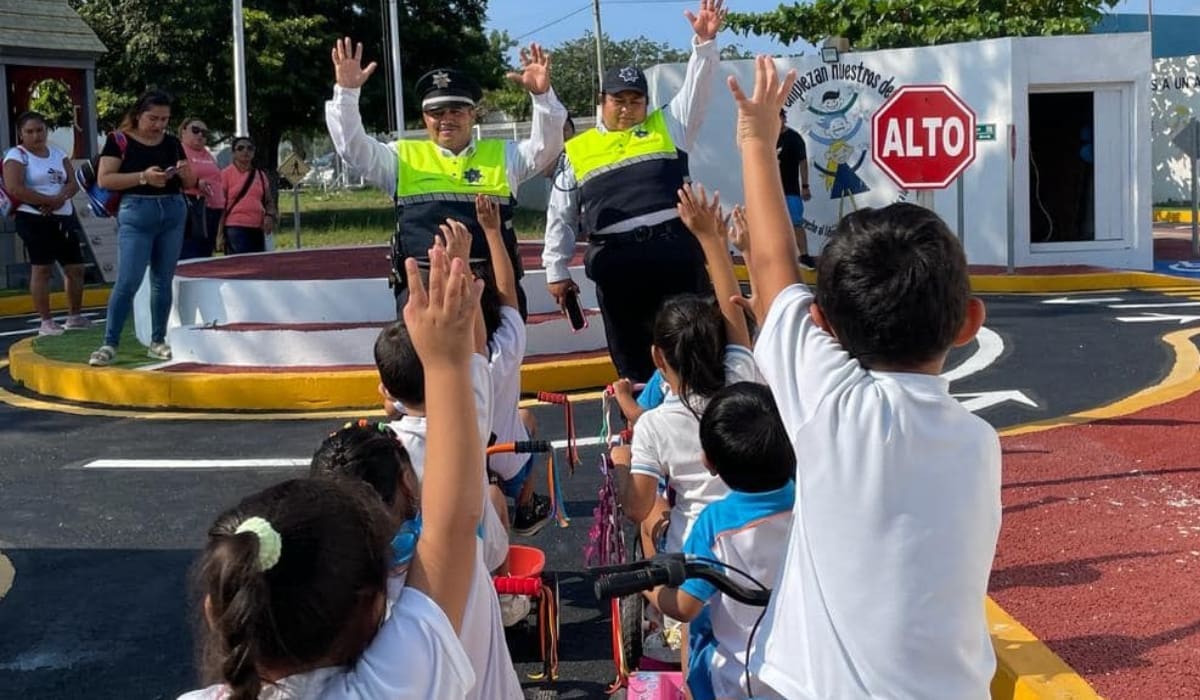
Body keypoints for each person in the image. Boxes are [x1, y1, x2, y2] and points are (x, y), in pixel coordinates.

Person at [730, 57, 1000, 699]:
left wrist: (754, 138)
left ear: (821, 323)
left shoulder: (833, 406)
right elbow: (778, 273)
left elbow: (770, 265)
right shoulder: (980, 443)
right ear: (969, 324)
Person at [179, 247, 485, 699]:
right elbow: (454, 526)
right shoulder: (392, 686)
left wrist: (447, 365)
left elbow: (452, 529)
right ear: (371, 606)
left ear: (215, 614)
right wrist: (447, 363)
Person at [541, 0, 727, 382]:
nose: (627, 109)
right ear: (601, 103)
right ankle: (643, 433)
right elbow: (559, 213)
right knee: (633, 360)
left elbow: (699, 89)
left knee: (695, 350)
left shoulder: (670, 125)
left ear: (647, 102)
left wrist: (704, 45)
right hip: (618, 266)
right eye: (618, 101)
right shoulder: (576, 150)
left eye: (635, 100)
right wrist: (555, 269)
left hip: (674, 256)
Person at [326, 37, 567, 315]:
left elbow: (547, 147)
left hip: (492, 287)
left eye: (456, 111)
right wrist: (346, 93)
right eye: (436, 112)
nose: (446, 119)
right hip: (427, 288)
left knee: (501, 357)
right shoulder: (399, 158)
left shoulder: (504, 155)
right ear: (424, 118)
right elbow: (352, 149)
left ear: (472, 114)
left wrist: (543, 97)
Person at [373, 271, 524, 700]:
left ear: (386, 388)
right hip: (473, 583)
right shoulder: (466, 434)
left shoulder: (379, 454)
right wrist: (463, 293)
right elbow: (474, 358)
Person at [615, 183, 755, 558]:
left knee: (651, 521)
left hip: (695, 558)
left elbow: (635, 506)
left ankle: (657, 604)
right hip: (755, 539)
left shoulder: (654, 426)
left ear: (659, 359)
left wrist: (620, 464)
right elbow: (732, 309)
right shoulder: (741, 378)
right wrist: (712, 238)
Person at [645, 382, 795, 700]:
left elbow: (684, 606)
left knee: (695, 636)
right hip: (804, 670)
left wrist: (650, 587)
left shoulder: (715, 524)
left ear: (710, 463)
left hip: (733, 678)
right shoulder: (808, 502)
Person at [463, 197, 553, 536]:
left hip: (457, 469)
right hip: (506, 462)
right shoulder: (507, 349)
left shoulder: (439, 365)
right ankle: (526, 505)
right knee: (527, 418)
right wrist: (492, 230)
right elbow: (507, 291)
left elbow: (392, 404)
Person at [89, 90, 195, 367]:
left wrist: (185, 173)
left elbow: (189, 180)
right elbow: (105, 179)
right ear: (138, 115)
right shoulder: (118, 140)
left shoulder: (172, 142)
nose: (159, 125)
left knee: (163, 279)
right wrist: (143, 177)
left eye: (164, 119)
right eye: (153, 118)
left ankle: (157, 340)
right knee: (129, 280)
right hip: (137, 212)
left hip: (172, 210)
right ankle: (110, 342)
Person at [2, 111, 89, 335]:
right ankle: (46, 321)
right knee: (42, 269)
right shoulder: (16, 155)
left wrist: (59, 199)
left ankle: (75, 316)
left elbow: (72, 181)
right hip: (33, 217)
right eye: (29, 131)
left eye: (39, 130)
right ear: (21, 134)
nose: (36, 135)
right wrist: (46, 201)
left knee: (75, 267)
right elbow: (15, 187)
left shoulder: (58, 152)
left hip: (63, 215)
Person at [219, 136, 277, 255]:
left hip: (258, 228)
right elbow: (221, 207)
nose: (245, 151)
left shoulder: (260, 175)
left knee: (258, 265)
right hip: (235, 228)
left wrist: (270, 216)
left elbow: (269, 201)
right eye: (240, 148)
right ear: (234, 153)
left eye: (249, 148)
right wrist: (219, 234)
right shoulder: (225, 175)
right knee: (240, 265)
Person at [178, 118, 224, 259]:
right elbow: (175, 174)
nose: (200, 135)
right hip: (193, 210)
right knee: (191, 252)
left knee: (206, 254)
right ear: (183, 131)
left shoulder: (207, 153)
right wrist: (197, 182)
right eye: (196, 130)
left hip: (213, 210)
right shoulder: (179, 150)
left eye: (204, 133)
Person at [777, 108, 814, 266]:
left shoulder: (794, 138)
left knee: (796, 223)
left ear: (784, 118)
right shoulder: (766, 137)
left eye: (779, 118)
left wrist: (805, 185)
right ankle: (779, 256)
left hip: (791, 189)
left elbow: (803, 163)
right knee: (773, 224)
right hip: (771, 190)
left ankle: (804, 255)